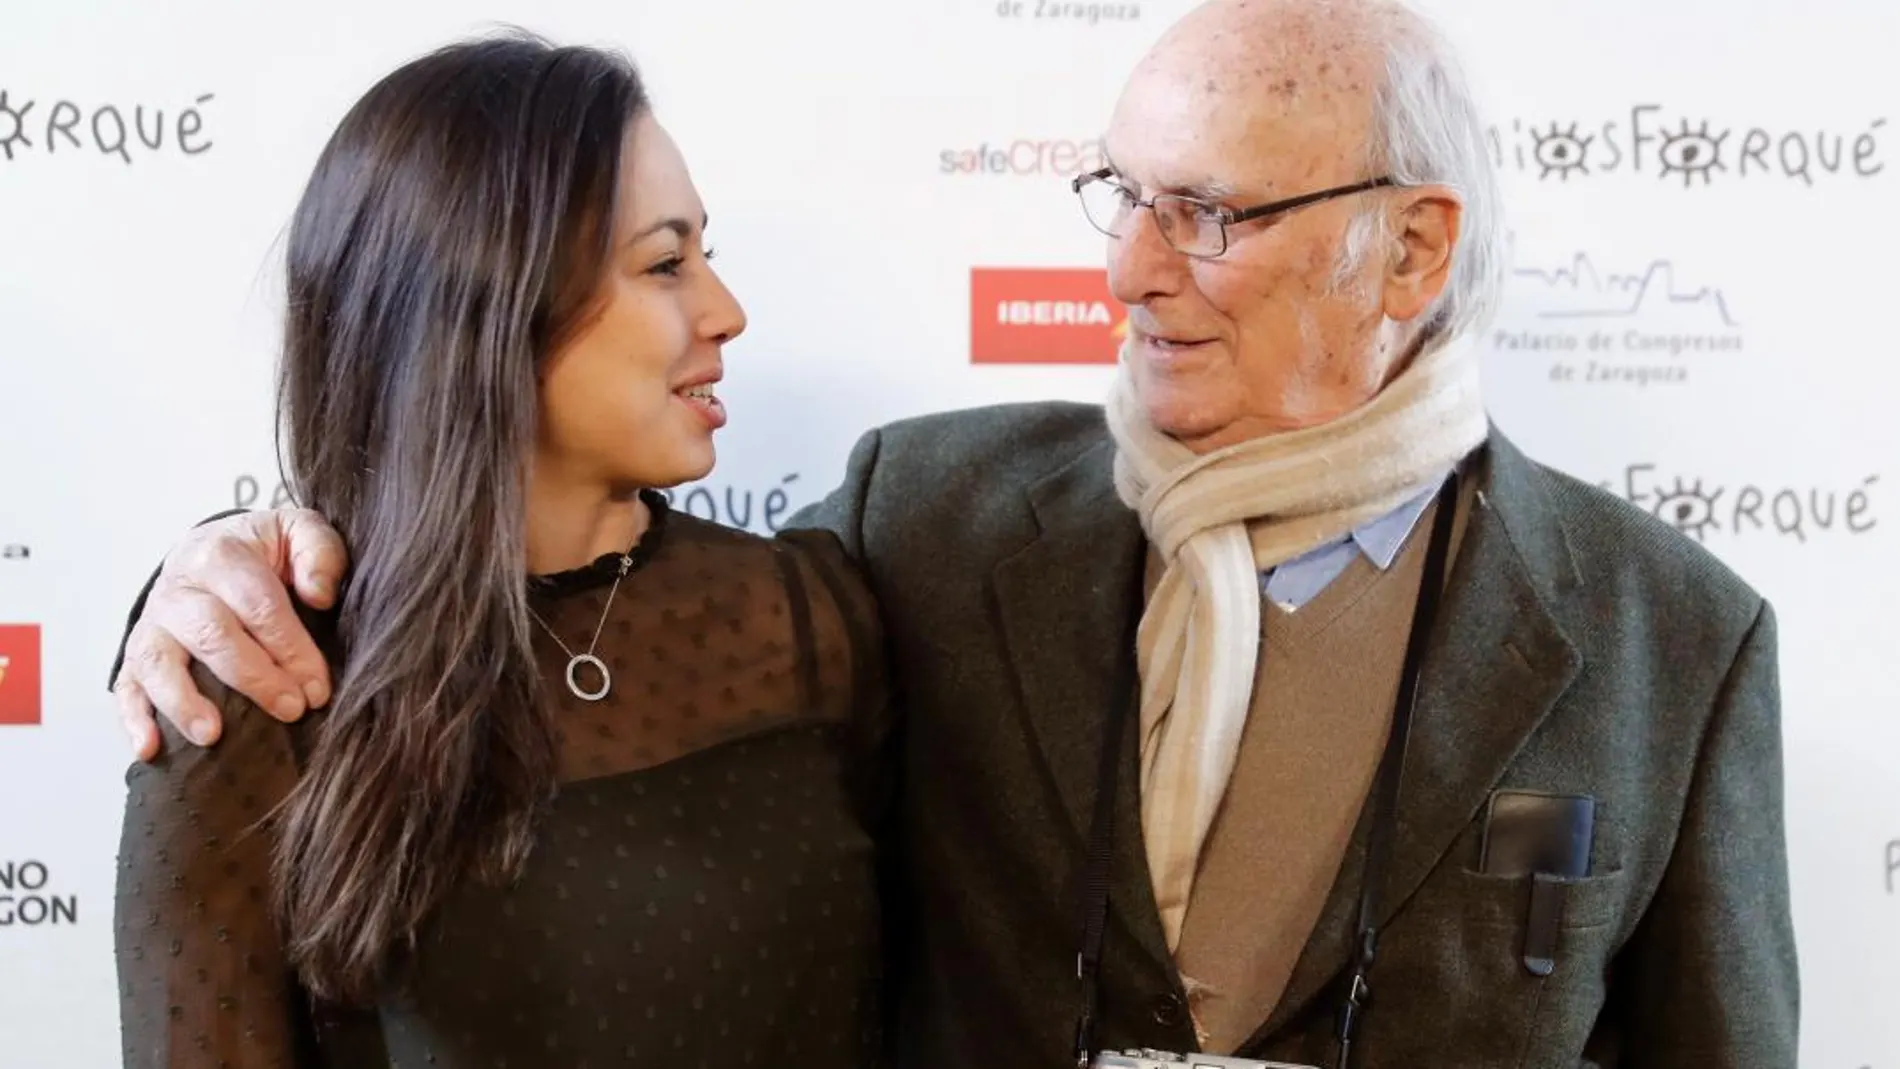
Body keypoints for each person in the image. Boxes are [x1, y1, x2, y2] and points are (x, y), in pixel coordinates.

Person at [112, 0, 1799, 1065]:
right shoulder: (933, 522)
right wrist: (208, 575)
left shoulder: (1673, 639)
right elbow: (480, 575)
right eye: (1120, 196)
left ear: (1412, 250)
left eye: (1205, 212)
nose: (1129, 267)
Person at [108, 33, 892, 1069]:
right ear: (490, 300)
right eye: (665, 263)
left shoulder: (806, 619)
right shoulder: (258, 689)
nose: (726, 311)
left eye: (707, 254)